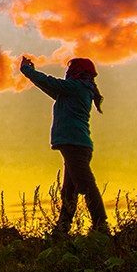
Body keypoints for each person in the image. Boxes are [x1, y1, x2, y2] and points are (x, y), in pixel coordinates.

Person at [20, 54, 109, 237]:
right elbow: (48, 86)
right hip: (76, 144)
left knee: (85, 185)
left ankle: (101, 227)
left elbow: (51, 82)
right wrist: (31, 74)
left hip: (74, 143)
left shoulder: (77, 88)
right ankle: (61, 231)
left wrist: (27, 71)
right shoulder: (76, 90)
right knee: (69, 191)